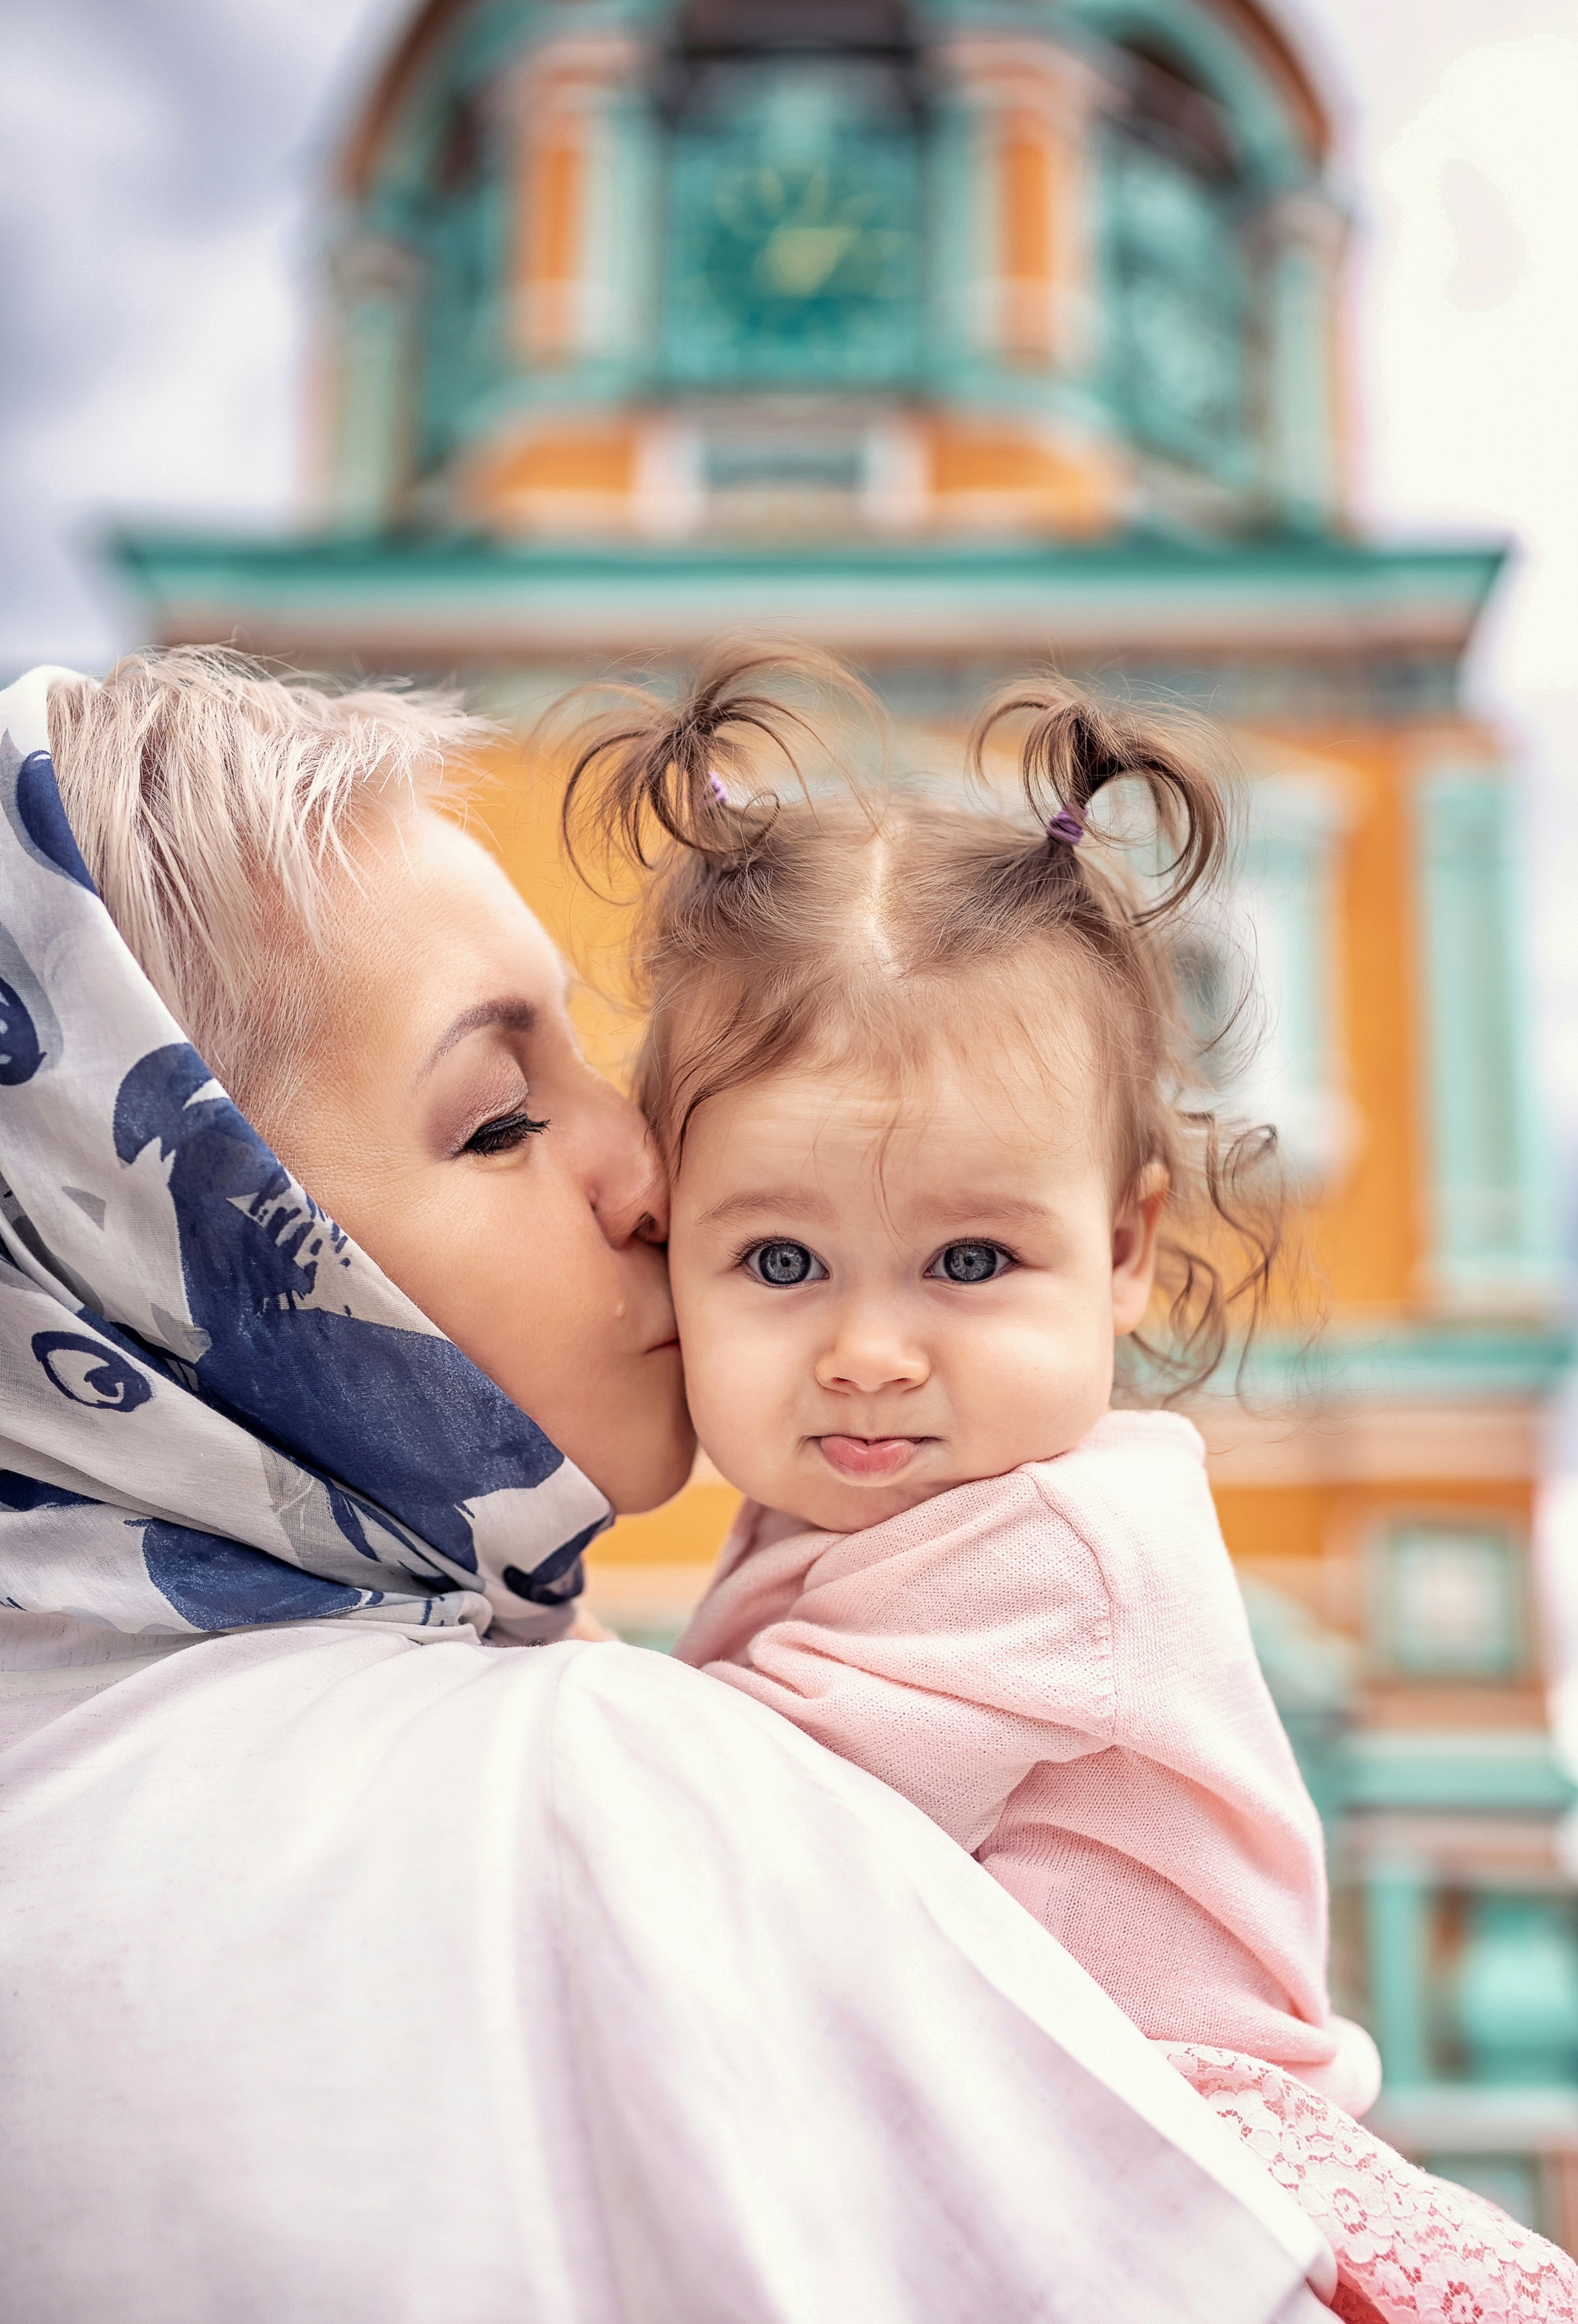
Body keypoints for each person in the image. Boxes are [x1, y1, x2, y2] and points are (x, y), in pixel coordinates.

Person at [0, 650, 1341, 2324]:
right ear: (162, 1244)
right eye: (500, 1121)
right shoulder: (592, 1797)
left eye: (591, 1067)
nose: (648, 1171)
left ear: (1127, 1243)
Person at [565, 648, 1578, 2324]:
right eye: (782, 1258)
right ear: (671, 1244)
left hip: (1170, 2193)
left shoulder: (1058, 1541)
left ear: (1122, 1252)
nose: (872, 1350)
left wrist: (519, 1678)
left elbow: (753, 1823)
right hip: (1044, 2166)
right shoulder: (856, 1509)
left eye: (969, 1256)